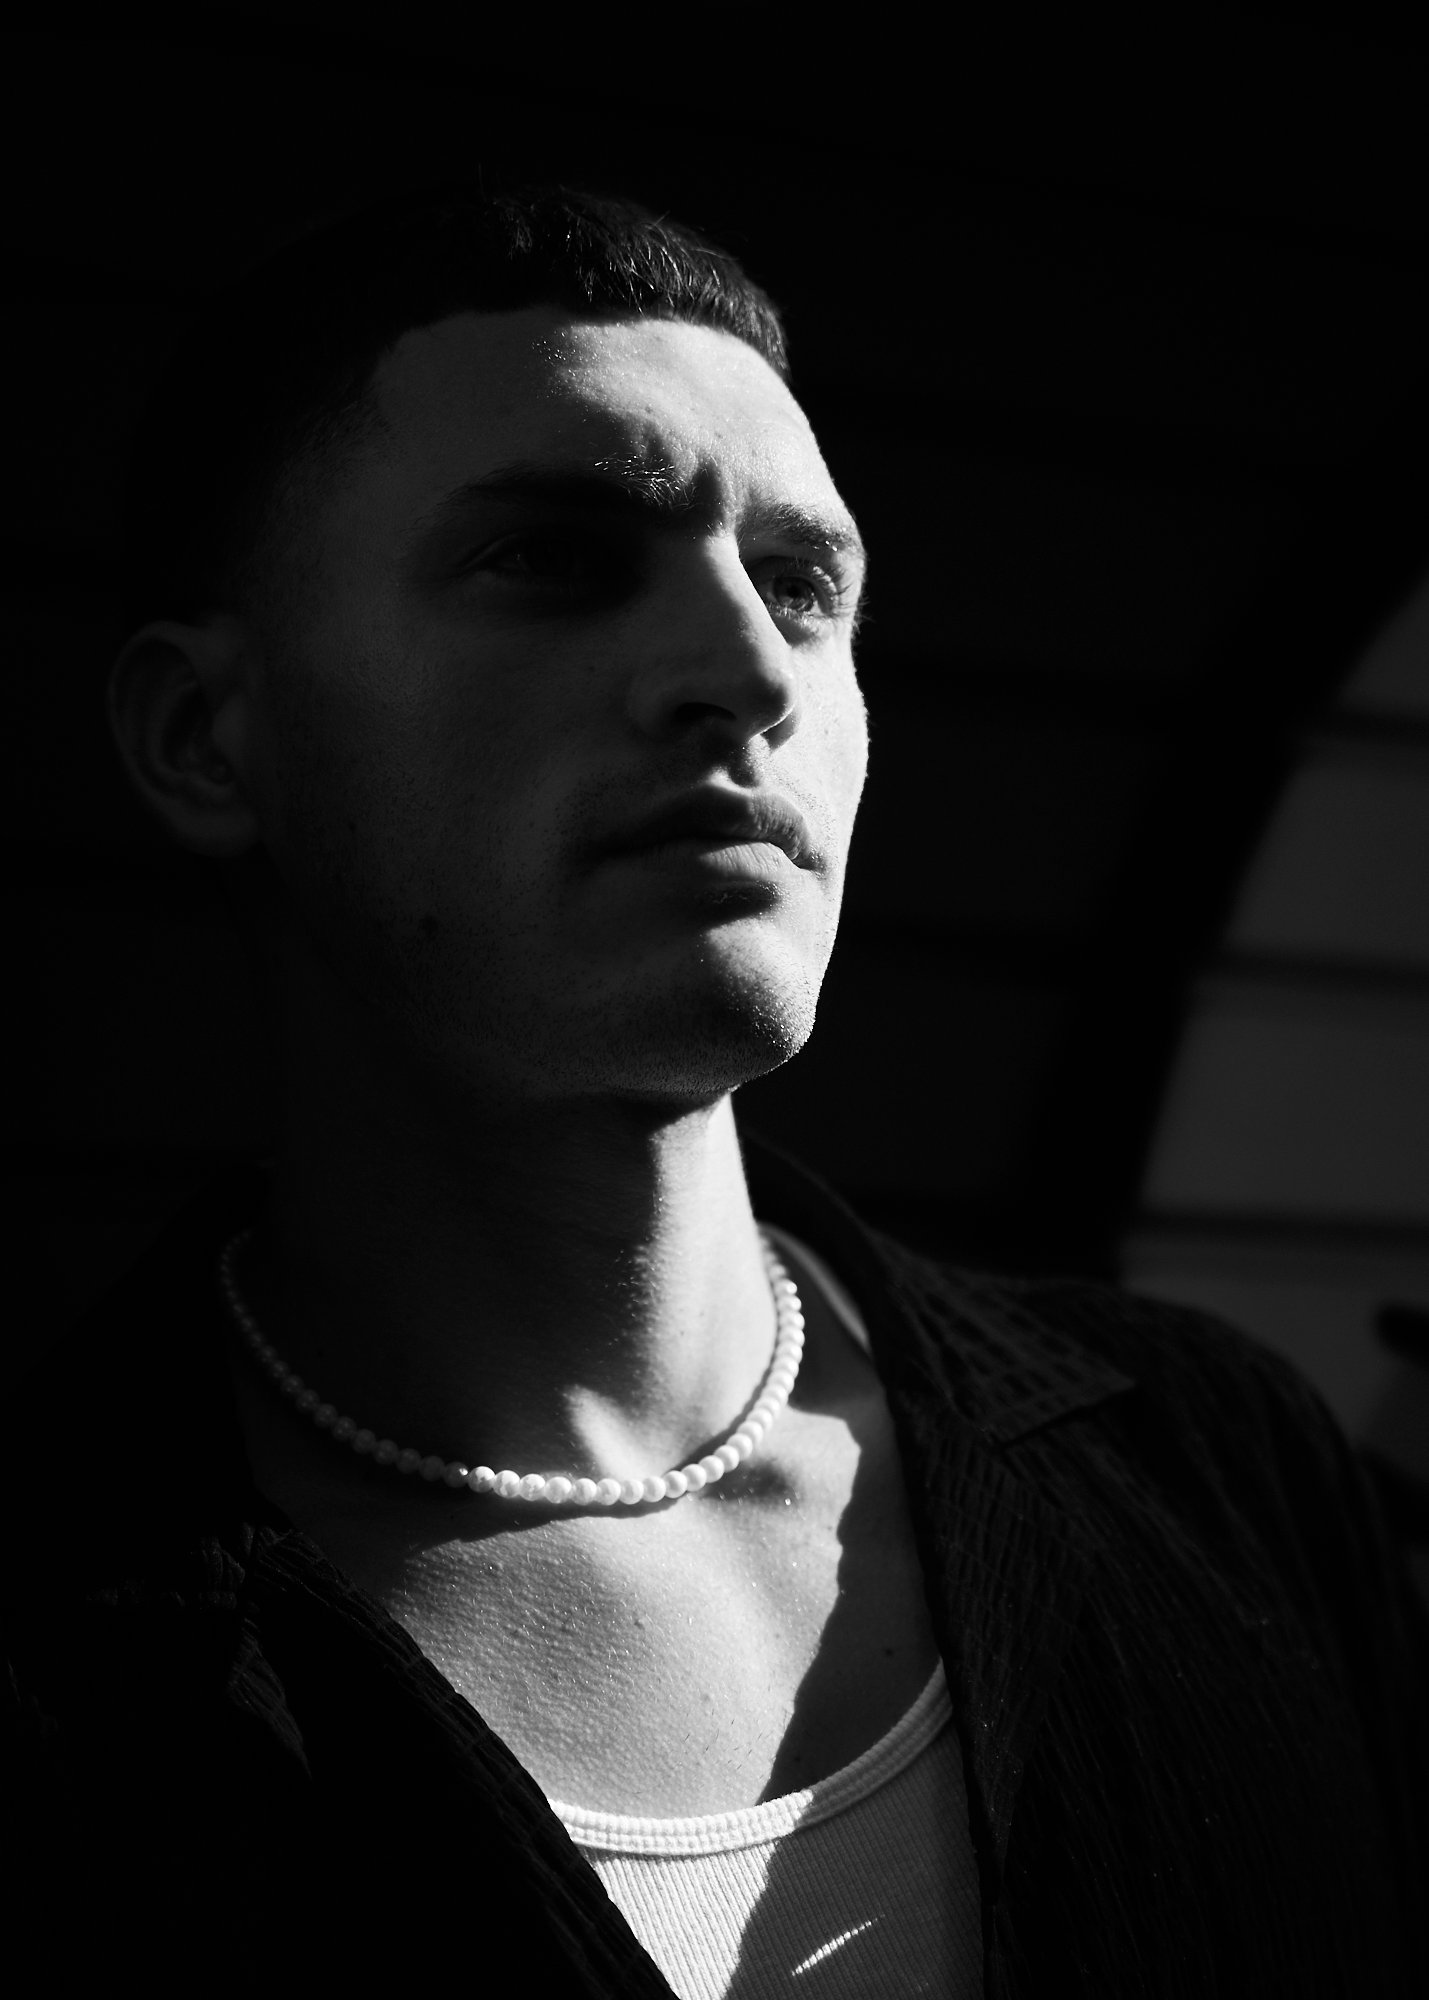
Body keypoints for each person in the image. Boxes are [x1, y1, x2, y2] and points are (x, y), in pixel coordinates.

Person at [4, 184, 1425, 1998]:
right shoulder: (60, 1653)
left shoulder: (1217, 1475)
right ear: (207, 737)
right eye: (552, 557)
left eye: (803, 583)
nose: (747, 669)